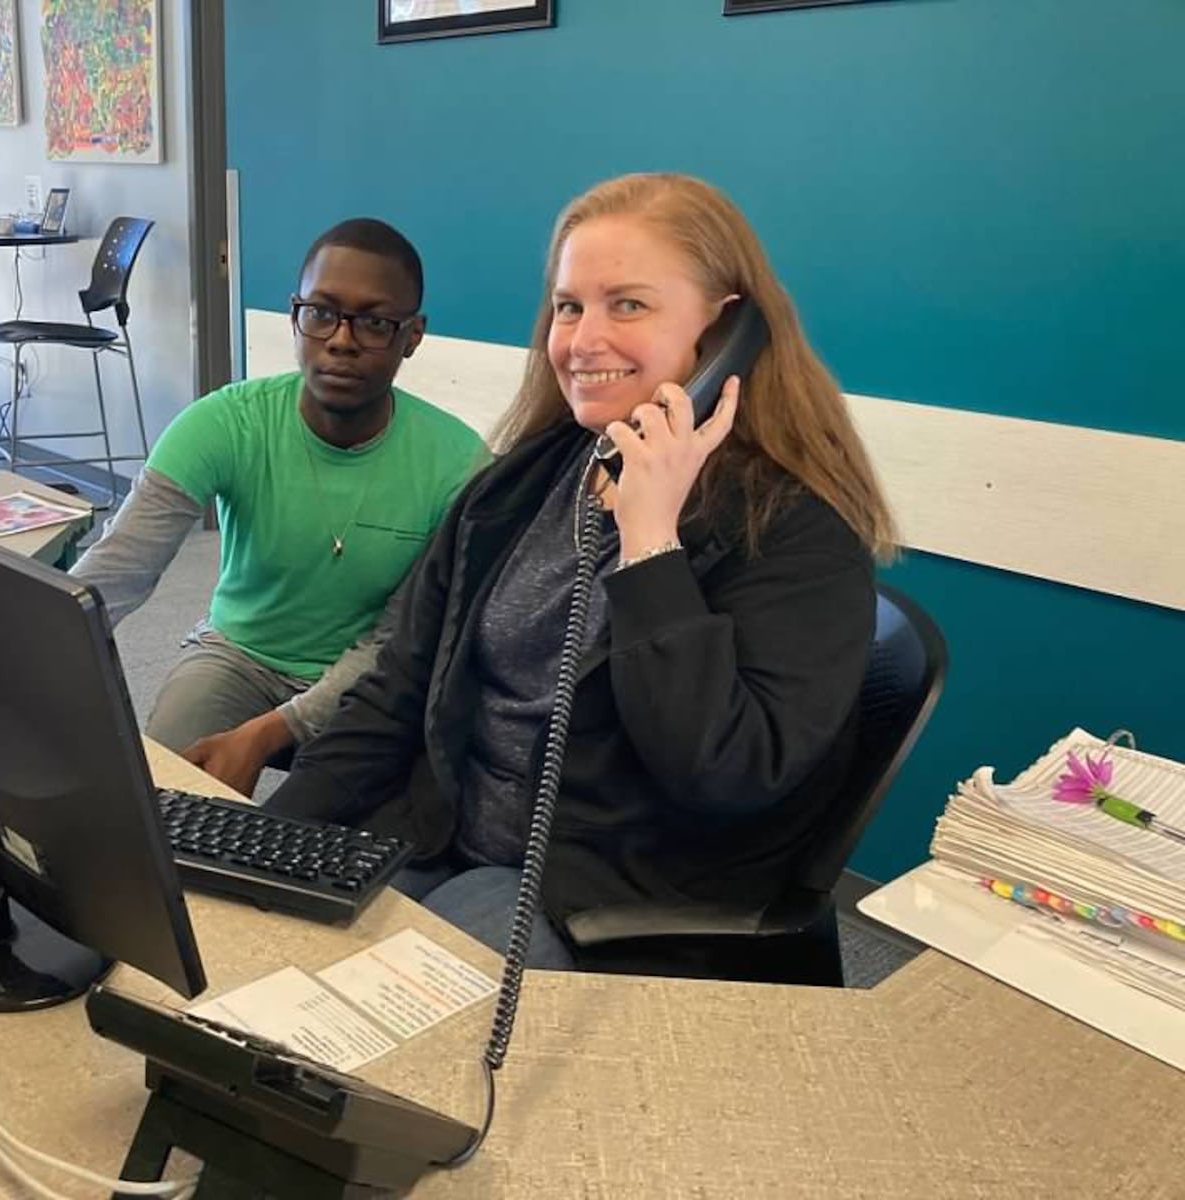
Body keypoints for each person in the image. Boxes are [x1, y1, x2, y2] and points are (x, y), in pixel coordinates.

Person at [265, 174, 898, 968]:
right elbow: (400, 689)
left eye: (627, 304)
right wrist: (264, 839)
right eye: (569, 306)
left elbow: (722, 774)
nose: (581, 340)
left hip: (593, 891)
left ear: (727, 331)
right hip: (439, 825)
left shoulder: (798, 538)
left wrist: (650, 545)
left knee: (367, 1023)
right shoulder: (525, 483)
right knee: (258, 958)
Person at [71, 218, 487, 796]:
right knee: (158, 804)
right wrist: (26, 665)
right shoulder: (224, 422)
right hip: (237, 654)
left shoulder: (460, 465)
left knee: (340, 843)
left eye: (373, 322)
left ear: (412, 336)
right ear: (296, 315)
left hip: (375, 682)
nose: (341, 339)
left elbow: (396, 643)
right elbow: (116, 573)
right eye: (321, 312)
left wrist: (271, 732)